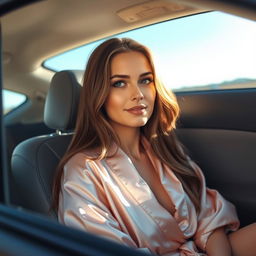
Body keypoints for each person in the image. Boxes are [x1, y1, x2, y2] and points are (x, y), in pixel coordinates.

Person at [52, 38, 256, 256]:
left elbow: (209, 217)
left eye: (145, 80)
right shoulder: (83, 171)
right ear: (99, 93)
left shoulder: (165, 149)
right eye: (119, 83)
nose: (138, 94)